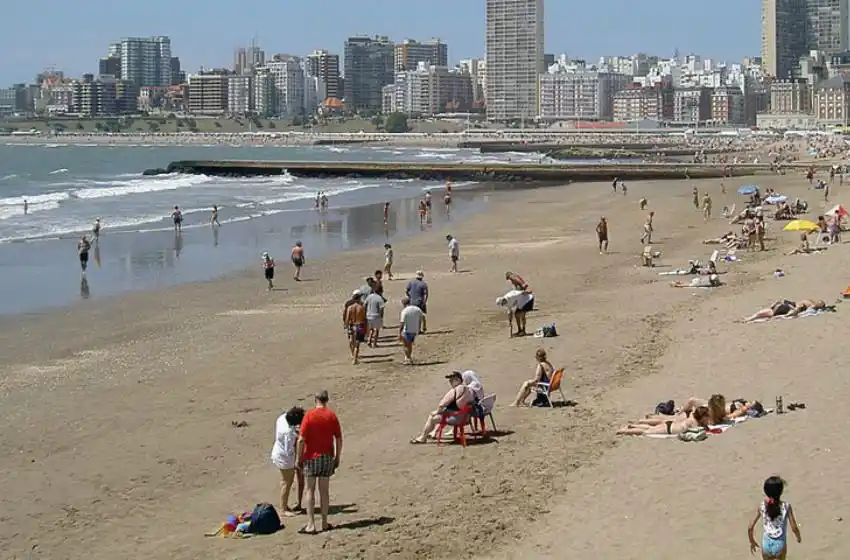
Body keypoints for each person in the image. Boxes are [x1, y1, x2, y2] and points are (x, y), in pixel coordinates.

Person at [296, 390, 342, 534]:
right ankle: (324, 522)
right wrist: (337, 457)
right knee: (324, 491)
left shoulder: (309, 415)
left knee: (310, 490)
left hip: (311, 457)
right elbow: (338, 438)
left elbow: (301, 440)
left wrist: (299, 458)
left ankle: (311, 524)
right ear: (327, 400)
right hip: (327, 456)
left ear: (315, 399)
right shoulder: (331, 415)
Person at [410, 371, 473, 443]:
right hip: (466, 417)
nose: (450, 382)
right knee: (441, 413)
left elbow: (442, 404)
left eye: (452, 380)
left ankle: (423, 437)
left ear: (458, 380)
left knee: (432, 417)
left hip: (457, 418)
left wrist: (437, 412)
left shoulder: (455, 390)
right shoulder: (468, 389)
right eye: (450, 380)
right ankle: (431, 433)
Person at [748, 476, 801, 558]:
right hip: (780, 545)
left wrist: (752, 541)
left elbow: (750, 527)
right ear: (781, 491)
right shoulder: (786, 506)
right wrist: (798, 537)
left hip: (766, 545)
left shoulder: (762, 506)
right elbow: (794, 527)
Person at [271, 406, 305, 517]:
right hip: (284, 458)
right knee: (286, 482)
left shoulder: (282, 418)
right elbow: (289, 450)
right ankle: (283, 509)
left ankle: (285, 505)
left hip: (278, 452)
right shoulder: (288, 434)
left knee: (286, 482)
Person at [617, 406, 711, 436]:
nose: (708, 419)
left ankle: (633, 426)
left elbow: (694, 409)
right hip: (669, 429)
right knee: (646, 432)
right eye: (707, 417)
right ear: (702, 417)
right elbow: (699, 431)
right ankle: (624, 431)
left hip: (671, 425)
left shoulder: (692, 416)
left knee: (650, 428)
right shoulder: (693, 422)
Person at [399, 296, 424, 365]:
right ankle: (408, 358)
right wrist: (423, 327)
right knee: (409, 345)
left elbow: (402, 323)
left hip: (407, 330)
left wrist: (399, 332)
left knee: (406, 345)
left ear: (403, 304)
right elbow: (423, 317)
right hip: (415, 330)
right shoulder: (417, 309)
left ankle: (408, 358)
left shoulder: (405, 311)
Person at [344, 291, 366, 365]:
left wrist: (346, 326)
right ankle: (355, 359)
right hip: (360, 325)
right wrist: (366, 329)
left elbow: (347, 319)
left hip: (352, 325)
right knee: (357, 344)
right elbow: (364, 319)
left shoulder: (350, 308)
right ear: (359, 298)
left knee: (351, 341)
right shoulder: (361, 307)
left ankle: (353, 355)